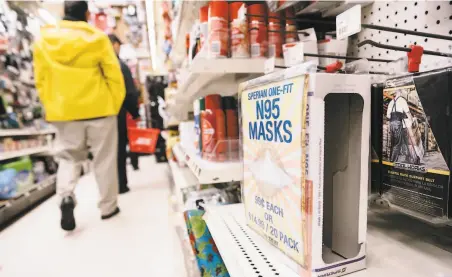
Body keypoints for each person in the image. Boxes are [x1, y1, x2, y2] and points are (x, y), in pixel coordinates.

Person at [33, 1, 125, 231]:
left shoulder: (44, 40)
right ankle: (108, 207)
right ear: (86, 13)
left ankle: (66, 196)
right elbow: (113, 75)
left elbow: (41, 80)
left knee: (68, 157)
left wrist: (51, 106)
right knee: (104, 160)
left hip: (64, 111)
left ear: (64, 13)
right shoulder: (97, 38)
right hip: (100, 108)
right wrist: (113, 105)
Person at [108, 34, 140, 194]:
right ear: (114, 45)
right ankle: (121, 184)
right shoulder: (119, 65)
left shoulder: (96, 66)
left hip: (100, 114)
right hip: (118, 113)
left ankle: (108, 189)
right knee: (120, 149)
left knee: (106, 154)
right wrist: (135, 112)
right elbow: (130, 93)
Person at [386, 90, 420, 164]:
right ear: (400, 93)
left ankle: (407, 157)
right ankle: (392, 162)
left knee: (394, 141)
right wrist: (411, 120)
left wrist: (398, 115)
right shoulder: (402, 100)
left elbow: (388, 115)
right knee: (397, 143)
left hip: (392, 124)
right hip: (398, 123)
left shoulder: (391, 102)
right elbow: (407, 112)